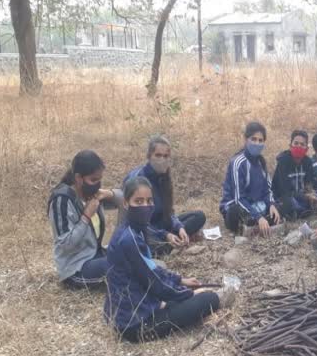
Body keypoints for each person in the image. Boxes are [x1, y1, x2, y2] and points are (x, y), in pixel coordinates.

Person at [105, 177, 237, 342]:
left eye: (149, 201)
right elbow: (156, 284)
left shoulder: (134, 229)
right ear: (125, 203)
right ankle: (208, 298)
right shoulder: (129, 239)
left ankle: (167, 303)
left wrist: (180, 280)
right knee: (208, 299)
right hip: (135, 325)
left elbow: (151, 269)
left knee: (180, 298)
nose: (145, 206)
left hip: (135, 308)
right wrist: (189, 294)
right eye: (138, 201)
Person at [48, 150, 123, 289]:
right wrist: (86, 216)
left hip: (97, 255)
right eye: (93, 180)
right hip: (76, 268)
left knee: (130, 255)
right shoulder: (62, 200)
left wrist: (109, 193)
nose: (97, 184)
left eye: (100, 179)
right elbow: (65, 244)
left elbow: (127, 201)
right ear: (78, 178)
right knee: (123, 268)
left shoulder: (90, 193)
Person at [124, 135, 206, 256]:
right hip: (144, 229)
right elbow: (137, 221)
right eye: (158, 155)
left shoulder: (163, 177)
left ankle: (176, 239)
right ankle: (170, 244)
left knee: (199, 216)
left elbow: (169, 212)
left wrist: (179, 227)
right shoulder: (138, 180)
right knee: (155, 247)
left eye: (166, 156)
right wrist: (165, 234)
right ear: (149, 156)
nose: (162, 159)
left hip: (162, 224)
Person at [220, 122, 282, 236]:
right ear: (245, 139)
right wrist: (258, 217)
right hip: (239, 208)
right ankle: (258, 223)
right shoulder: (238, 163)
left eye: (260, 140)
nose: (257, 143)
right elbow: (239, 198)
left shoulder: (261, 162)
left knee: (280, 206)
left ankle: (255, 226)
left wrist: (272, 204)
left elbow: (267, 189)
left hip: (256, 206)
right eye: (253, 139)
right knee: (235, 211)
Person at [272, 130, 317, 219]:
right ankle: (302, 211)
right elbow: (284, 191)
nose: (299, 146)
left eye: (302, 144)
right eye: (296, 143)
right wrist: (306, 196)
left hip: (303, 196)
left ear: (306, 149)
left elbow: (308, 183)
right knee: (290, 203)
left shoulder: (308, 161)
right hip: (286, 197)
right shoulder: (283, 162)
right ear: (290, 146)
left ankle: (304, 210)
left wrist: (312, 193)